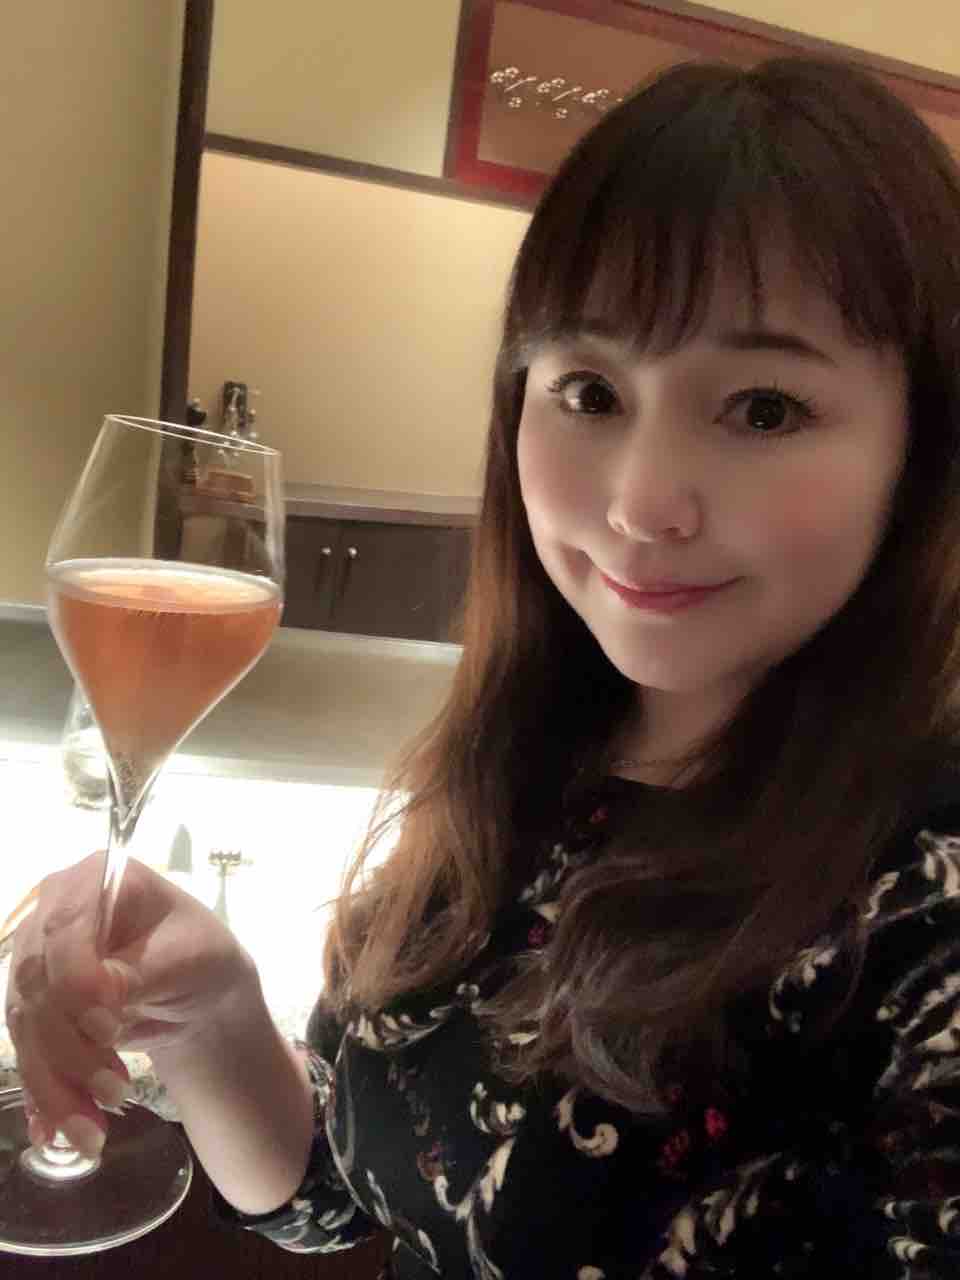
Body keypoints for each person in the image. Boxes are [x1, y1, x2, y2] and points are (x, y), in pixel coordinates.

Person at [9, 53, 960, 1278]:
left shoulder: (922, 908)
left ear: (922, 448)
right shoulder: (529, 760)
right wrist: (213, 1013)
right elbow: (347, 1197)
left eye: (764, 408)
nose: (640, 502)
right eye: (590, 390)